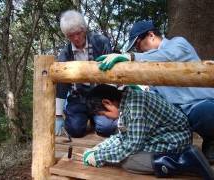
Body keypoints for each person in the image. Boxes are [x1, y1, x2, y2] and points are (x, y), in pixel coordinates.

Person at [95, 20, 214, 163]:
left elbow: (166, 57)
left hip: (203, 105)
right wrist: (131, 90)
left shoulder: (177, 44)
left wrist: (132, 57)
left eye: (138, 45)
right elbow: (155, 96)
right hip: (180, 114)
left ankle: (211, 139)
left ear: (151, 35)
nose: (139, 51)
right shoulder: (152, 70)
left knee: (204, 113)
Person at [83, 84, 214, 179]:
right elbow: (123, 137)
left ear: (107, 102)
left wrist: (99, 157)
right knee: (123, 152)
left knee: (129, 162)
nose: (106, 118)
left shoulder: (134, 107)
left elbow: (132, 145)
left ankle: (184, 160)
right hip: (163, 136)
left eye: (103, 114)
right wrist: (99, 148)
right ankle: (184, 157)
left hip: (175, 141)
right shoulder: (127, 100)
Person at [55, 10, 117, 138]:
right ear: (66, 36)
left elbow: (110, 75)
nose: (76, 38)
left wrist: (112, 102)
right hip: (78, 97)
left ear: (84, 29)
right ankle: (82, 117)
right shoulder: (65, 54)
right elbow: (62, 86)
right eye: (71, 35)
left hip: (100, 95)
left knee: (107, 128)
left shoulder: (101, 42)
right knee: (75, 130)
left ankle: (96, 118)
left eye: (78, 33)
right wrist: (58, 115)